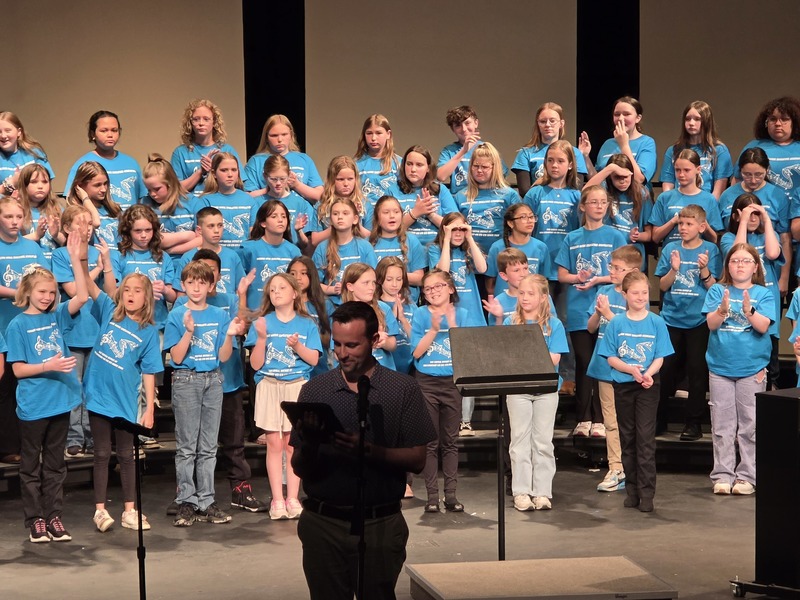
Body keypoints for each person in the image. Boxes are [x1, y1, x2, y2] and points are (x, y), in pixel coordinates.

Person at [290, 301, 435, 600]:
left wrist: (369, 451)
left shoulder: (402, 389)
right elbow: (299, 467)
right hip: (323, 523)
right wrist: (311, 442)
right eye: (338, 344)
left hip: (379, 523)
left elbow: (418, 460)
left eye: (352, 345)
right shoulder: (315, 390)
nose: (342, 353)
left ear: (374, 341)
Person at [7, 232, 87, 542]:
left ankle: (54, 516)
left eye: (52, 293)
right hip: (34, 405)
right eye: (42, 292)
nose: (48, 297)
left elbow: (80, 297)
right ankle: (35, 519)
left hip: (61, 400)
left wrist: (77, 259)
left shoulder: (56, 317)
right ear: (27, 291)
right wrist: (48, 366)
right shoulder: (17, 326)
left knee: (55, 465)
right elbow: (18, 369)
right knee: (31, 466)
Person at [81, 264, 163, 532]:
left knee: (127, 455)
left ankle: (130, 510)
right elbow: (90, 286)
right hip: (98, 397)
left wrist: (149, 408)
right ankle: (100, 510)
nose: (130, 294)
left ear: (146, 297)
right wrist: (81, 256)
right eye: (126, 289)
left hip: (125, 400)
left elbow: (150, 372)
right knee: (102, 453)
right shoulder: (108, 311)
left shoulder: (149, 331)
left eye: (137, 291)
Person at [165, 261, 245, 527]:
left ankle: (206, 500)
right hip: (187, 380)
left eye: (202, 282)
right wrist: (188, 332)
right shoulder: (177, 315)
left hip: (213, 379)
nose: (196, 287)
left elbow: (222, 356)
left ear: (211, 285)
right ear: (184, 284)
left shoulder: (219, 316)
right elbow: (175, 356)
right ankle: (187, 500)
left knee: (209, 447)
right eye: (191, 283)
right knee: (188, 447)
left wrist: (230, 335)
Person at [247, 273, 321, 520]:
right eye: (272, 289)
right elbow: (256, 365)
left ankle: (293, 497)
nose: (276, 292)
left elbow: (313, 359)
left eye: (282, 288)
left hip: (296, 386)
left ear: (294, 293)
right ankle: (277, 499)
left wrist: (298, 347)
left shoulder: (306, 323)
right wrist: (260, 338)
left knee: (292, 444)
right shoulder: (263, 322)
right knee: (274, 444)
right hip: (269, 385)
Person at [598, 271, 673, 513]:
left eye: (644, 293)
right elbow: (610, 357)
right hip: (623, 385)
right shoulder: (617, 322)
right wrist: (630, 370)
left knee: (645, 439)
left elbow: (660, 355)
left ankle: (647, 492)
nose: (640, 297)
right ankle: (631, 489)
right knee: (627, 437)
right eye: (635, 293)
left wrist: (648, 373)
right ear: (625, 294)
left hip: (648, 386)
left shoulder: (656, 322)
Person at [702, 243, 774, 496]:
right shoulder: (717, 291)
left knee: (749, 425)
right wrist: (722, 310)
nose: (739, 265)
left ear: (755, 267)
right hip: (720, 367)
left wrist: (748, 310)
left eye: (745, 261)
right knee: (722, 425)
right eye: (734, 261)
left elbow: (763, 326)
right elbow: (711, 324)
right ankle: (722, 475)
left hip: (752, 368)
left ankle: (746, 476)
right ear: (728, 266)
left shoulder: (764, 294)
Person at [556, 185, 627, 437]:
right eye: (593, 202)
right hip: (578, 309)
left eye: (603, 202)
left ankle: (600, 418)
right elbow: (562, 274)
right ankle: (583, 418)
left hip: (609, 307)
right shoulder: (572, 237)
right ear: (583, 206)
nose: (598, 206)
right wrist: (579, 276)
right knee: (585, 361)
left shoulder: (616, 236)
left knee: (602, 361)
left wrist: (598, 280)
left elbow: (625, 273)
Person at [412, 270, 481, 512]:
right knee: (430, 442)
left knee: (450, 442)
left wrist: (451, 324)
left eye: (438, 286)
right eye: (428, 288)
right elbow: (417, 353)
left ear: (451, 289)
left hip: (452, 382)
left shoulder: (462, 314)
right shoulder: (420, 314)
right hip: (427, 382)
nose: (433, 291)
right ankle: (432, 497)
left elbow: (468, 351)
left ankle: (450, 495)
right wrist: (432, 329)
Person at [655, 205, 721, 441]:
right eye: (681, 223)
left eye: (689, 224)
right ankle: (658, 421)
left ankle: (693, 424)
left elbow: (714, 288)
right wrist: (674, 270)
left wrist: (703, 270)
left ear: (702, 227)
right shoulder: (671, 248)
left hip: (699, 321)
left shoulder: (711, 249)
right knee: (665, 370)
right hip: (671, 319)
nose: (683, 228)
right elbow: (662, 286)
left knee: (697, 372)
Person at [503, 274, 569, 511]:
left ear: (543, 298)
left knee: (542, 442)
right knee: (519, 440)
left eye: (531, 294)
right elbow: (508, 359)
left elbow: (553, 359)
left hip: (546, 390)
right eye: (522, 293)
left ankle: (542, 492)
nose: (525, 298)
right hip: (519, 389)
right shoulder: (511, 322)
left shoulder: (554, 325)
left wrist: (526, 358)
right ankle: (521, 492)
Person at [587, 245, 642, 492]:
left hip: (628, 369)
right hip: (603, 367)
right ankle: (616, 467)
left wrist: (609, 314)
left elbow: (631, 331)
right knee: (610, 421)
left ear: (632, 271)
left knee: (629, 421)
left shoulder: (634, 296)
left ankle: (634, 466)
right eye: (611, 266)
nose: (612, 271)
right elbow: (590, 328)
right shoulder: (603, 291)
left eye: (617, 268)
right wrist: (599, 314)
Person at [0, 196, 49, 465]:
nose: (14, 222)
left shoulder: (32, 247)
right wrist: (20, 292)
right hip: (3, 330)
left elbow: (44, 280)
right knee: (5, 388)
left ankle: (30, 445)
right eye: (8, 217)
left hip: (31, 331)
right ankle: (8, 446)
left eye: (18, 217)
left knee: (28, 387)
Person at [720, 195, 783, 390]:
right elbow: (737, 251)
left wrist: (767, 219)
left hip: (765, 301)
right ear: (736, 216)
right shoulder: (729, 237)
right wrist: (743, 221)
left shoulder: (768, 235)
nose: (753, 218)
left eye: (756, 213)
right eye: (748, 214)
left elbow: (773, 253)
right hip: (740, 306)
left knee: (770, 360)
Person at [63, 110, 147, 209]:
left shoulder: (132, 164)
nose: (110, 135)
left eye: (114, 130)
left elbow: (142, 199)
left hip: (129, 222)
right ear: (92, 134)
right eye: (104, 130)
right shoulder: (83, 164)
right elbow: (71, 203)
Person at [584, 154, 652, 270]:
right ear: (610, 177)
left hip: (631, 255)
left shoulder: (642, 194)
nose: (622, 181)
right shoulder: (604, 189)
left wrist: (638, 236)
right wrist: (610, 168)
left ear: (632, 174)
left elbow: (649, 234)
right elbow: (585, 192)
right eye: (617, 177)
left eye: (625, 177)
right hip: (607, 251)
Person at [454, 142, 521, 256]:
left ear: (495, 168)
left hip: (501, 257)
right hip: (469, 258)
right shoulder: (460, 196)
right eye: (476, 166)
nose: (479, 170)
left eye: (484, 167)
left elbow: (518, 229)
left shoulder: (509, 194)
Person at [386, 145, 459, 247]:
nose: (413, 169)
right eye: (409, 164)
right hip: (405, 248)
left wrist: (431, 215)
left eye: (419, 165)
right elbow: (388, 229)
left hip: (436, 248)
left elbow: (456, 227)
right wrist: (415, 213)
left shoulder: (440, 190)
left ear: (428, 168)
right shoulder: (392, 190)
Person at [512, 102, 590, 196]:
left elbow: (577, 189)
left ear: (561, 124)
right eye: (543, 121)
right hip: (536, 205)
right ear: (538, 123)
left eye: (552, 121)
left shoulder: (575, 153)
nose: (547, 125)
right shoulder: (525, 153)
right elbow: (524, 192)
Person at [649, 149, 723, 248]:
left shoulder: (709, 199)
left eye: (686, 170)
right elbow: (655, 237)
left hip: (700, 257)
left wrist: (703, 224)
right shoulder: (665, 198)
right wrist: (673, 221)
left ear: (698, 170)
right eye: (677, 170)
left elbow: (715, 239)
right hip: (671, 255)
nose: (681, 175)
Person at [660, 101, 733, 199]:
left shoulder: (719, 150)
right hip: (679, 203)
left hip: (706, 204)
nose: (691, 123)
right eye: (687, 119)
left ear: (706, 121)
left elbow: (718, 191)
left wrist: (707, 207)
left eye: (697, 119)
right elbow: (668, 184)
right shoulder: (674, 150)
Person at [170, 99, 244, 196]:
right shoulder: (180, 152)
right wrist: (201, 171)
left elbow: (239, 184)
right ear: (190, 123)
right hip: (191, 205)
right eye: (196, 119)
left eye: (206, 119)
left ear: (214, 122)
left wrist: (215, 171)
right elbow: (175, 190)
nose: (201, 123)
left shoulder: (227, 150)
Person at [243, 114, 323, 204]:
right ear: (266, 137)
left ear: (291, 135)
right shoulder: (256, 161)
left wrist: (297, 185)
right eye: (274, 135)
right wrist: (270, 188)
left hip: (301, 213)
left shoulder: (304, 159)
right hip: (269, 212)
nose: (280, 139)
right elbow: (246, 197)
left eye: (284, 134)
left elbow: (319, 195)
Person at [239, 198, 302, 312]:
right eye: (274, 216)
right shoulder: (248, 249)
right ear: (263, 223)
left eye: (283, 216)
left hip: (284, 313)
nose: (280, 220)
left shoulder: (294, 251)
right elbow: (239, 283)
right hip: (255, 312)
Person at [312, 197, 377, 305]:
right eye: (336, 214)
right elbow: (314, 284)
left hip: (361, 304)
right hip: (333, 306)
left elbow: (374, 281)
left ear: (355, 219)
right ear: (330, 220)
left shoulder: (365, 247)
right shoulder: (322, 248)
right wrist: (333, 290)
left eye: (345, 213)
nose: (340, 217)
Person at [173, 206, 245, 296]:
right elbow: (181, 295)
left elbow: (241, 290)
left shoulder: (232, 256)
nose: (216, 231)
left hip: (226, 308)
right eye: (211, 226)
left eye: (220, 225)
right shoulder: (188, 257)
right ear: (199, 230)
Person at [586, 96, 658, 186]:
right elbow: (596, 180)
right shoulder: (608, 144)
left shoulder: (646, 142)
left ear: (638, 118)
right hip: (608, 198)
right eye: (616, 114)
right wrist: (585, 157)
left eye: (626, 114)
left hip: (634, 199)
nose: (620, 118)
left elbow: (639, 179)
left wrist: (624, 145)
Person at [437, 105, 508, 196]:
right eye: (458, 125)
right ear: (452, 129)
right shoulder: (448, 151)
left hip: (484, 197)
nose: (464, 129)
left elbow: (501, 175)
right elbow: (441, 176)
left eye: (467, 123)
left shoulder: (486, 148)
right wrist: (463, 151)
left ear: (476, 123)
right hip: (459, 199)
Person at [735, 96, 800, 196]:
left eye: (784, 119)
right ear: (766, 123)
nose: (778, 123)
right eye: (773, 119)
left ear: (794, 123)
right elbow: (738, 180)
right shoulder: (753, 147)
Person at [141, 154, 202, 258]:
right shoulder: (145, 205)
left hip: (189, 263)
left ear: (170, 184)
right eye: (149, 190)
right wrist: (186, 236)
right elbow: (148, 240)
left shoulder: (193, 202)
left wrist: (171, 250)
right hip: (158, 264)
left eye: (157, 189)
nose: (152, 194)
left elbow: (203, 240)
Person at [340, 262, 399, 370]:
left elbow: (393, 344)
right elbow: (336, 352)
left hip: (383, 370)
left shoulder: (383, 308)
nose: (372, 287)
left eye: (373, 283)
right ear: (350, 286)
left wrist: (384, 342)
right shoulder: (341, 314)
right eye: (366, 283)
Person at [249, 154, 313, 250]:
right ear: (265, 176)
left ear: (289, 175)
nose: (278, 183)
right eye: (274, 179)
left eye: (282, 179)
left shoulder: (299, 203)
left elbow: (304, 244)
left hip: (291, 255)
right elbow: (252, 237)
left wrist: (298, 231)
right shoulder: (257, 202)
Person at [485, 203, 551, 297]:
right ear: (511, 223)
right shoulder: (497, 247)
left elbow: (543, 281)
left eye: (531, 217)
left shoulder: (541, 247)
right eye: (523, 217)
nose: (530, 221)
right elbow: (490, 281)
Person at [368, 195, 426, 300]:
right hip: (376, 301)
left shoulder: (412, 240)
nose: (392, 216)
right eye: (386, 212)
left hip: (407, 302)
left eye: (396, 212)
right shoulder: (367, 243)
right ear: (377, 217)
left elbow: (420, 279)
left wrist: (392, 276)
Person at [199, 152, 258, 249]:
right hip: (216, 255)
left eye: (234, 170)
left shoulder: (249, 200)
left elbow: (254, 235)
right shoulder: (205, 201)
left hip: (243, 256)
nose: (230, 174)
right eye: (224, 170)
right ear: (214, 174)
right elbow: (201, 236)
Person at [311, 156, 372, 245]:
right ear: (332, 180)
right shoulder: (322, 205)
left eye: (350, 179)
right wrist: (337, 224)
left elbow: (371, 238)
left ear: (356, 179)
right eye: (340, 179)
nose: (346, 184)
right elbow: (314, 241)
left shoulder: (364, 204)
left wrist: (355, 220)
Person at [65, 161, 123, 247]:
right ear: (80, 186)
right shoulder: (75, 212)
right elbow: (96, 222)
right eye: (97, 185)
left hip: (115, 259)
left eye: (105, 184)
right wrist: (85, 198)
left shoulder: (114, 210)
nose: (103, 189)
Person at [376, 256, 417, 375]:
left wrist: (403, 320)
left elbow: (417, 338)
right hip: (387, 367)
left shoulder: (411, 305)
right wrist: (391, 318)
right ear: (379, 279)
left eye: (399, 279)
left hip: (411, 366)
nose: (394, 284)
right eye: (389, 279)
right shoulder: (376, 306)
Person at [16, 163, 65, 260]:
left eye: (44, 182)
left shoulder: (57, 208)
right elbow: (11, 242)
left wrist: (56, 235)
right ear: (24, 185)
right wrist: (36, 235)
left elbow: (67, 242)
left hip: (54, 265)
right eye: (34, 182)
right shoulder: (17, 209)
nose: (40, 186)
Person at [0, 111, 55, 194]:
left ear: (19, 132)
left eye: (8, 131)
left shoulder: (34, 153)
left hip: (35, 205)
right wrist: (11, 183)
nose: (3, 136)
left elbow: (46, 185)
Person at [354, 114, 402, 205]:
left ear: (388, 134)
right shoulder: (356, 164)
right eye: (369, 133)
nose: (373, 138)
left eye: (378, 133)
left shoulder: (399, 163)